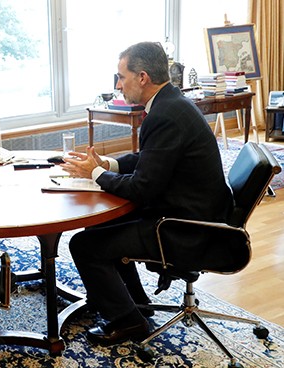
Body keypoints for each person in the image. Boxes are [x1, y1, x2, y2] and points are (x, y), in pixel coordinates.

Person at [60, 42, 233, 346]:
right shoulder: (171, 103)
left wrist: (96, 175)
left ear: (142, 77)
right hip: (191, 210)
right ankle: (136, 305)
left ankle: (127, 322)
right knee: (99, 226)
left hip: (182, 226)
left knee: (83, 245)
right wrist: (107, 163)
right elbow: (149, 158)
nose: (117, 85)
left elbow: (142, 188)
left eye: (121, 77)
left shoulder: (165, 114)